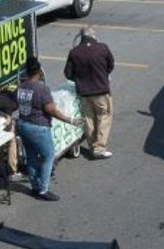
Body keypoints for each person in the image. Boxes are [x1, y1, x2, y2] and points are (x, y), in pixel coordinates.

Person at [16, 57, 78, 201]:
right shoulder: (41, 89)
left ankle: (35, 187)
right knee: (48, 156)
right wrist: (70, 120)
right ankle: (43, 190)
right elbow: (51, 110)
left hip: (23, 125)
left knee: (31, 157)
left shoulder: (21, 87)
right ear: (38, 72)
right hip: (38, 128)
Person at [64, 25, 116, 160]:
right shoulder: (103, 48)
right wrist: (103, 75)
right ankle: (100, 148)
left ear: (81, 36)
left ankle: (93, 146)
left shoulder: (74, 52)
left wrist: (79, 79)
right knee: (104, 116)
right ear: (93, 36)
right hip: (101, 91)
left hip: (84, 92)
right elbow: (110, 65)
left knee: (89, 118)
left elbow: (68, 74)